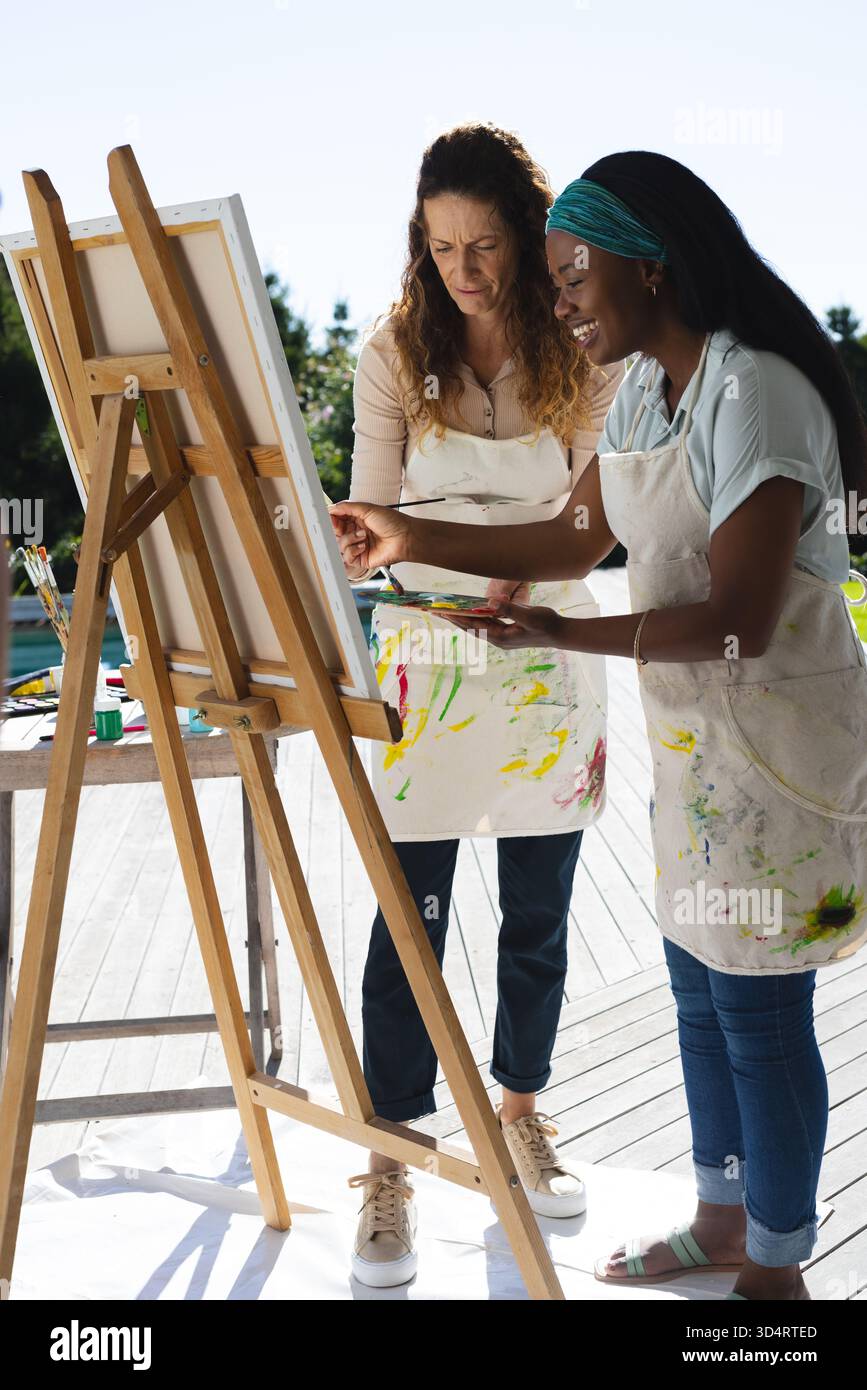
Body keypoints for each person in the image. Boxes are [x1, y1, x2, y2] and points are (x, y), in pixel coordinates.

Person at [331, 150, 867, 1301]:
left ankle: (778, 1274)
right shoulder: (643, 394)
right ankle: (722, 1221)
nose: (558, 298)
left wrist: (558, 641)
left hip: (779, 756)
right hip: (698, 753)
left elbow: (739, 619)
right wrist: (406, 536)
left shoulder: (758, 389)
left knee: (761, 1014)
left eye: (574, 275)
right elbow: (575, 545)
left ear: (653, 268)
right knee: (695, 991)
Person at [339, 124, 625, 1288]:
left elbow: (593, 516)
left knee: (540, 906)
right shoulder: (391, 354)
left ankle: (520, 1109)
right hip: (430, 653)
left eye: (485, 243)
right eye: (441, 244)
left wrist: (536, 570)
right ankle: (395, 1157)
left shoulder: (584, 349)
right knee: (410, 914)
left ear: (525, 233)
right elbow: (370, 515)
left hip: (550, 643)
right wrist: (401, 555)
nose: (462, 268)